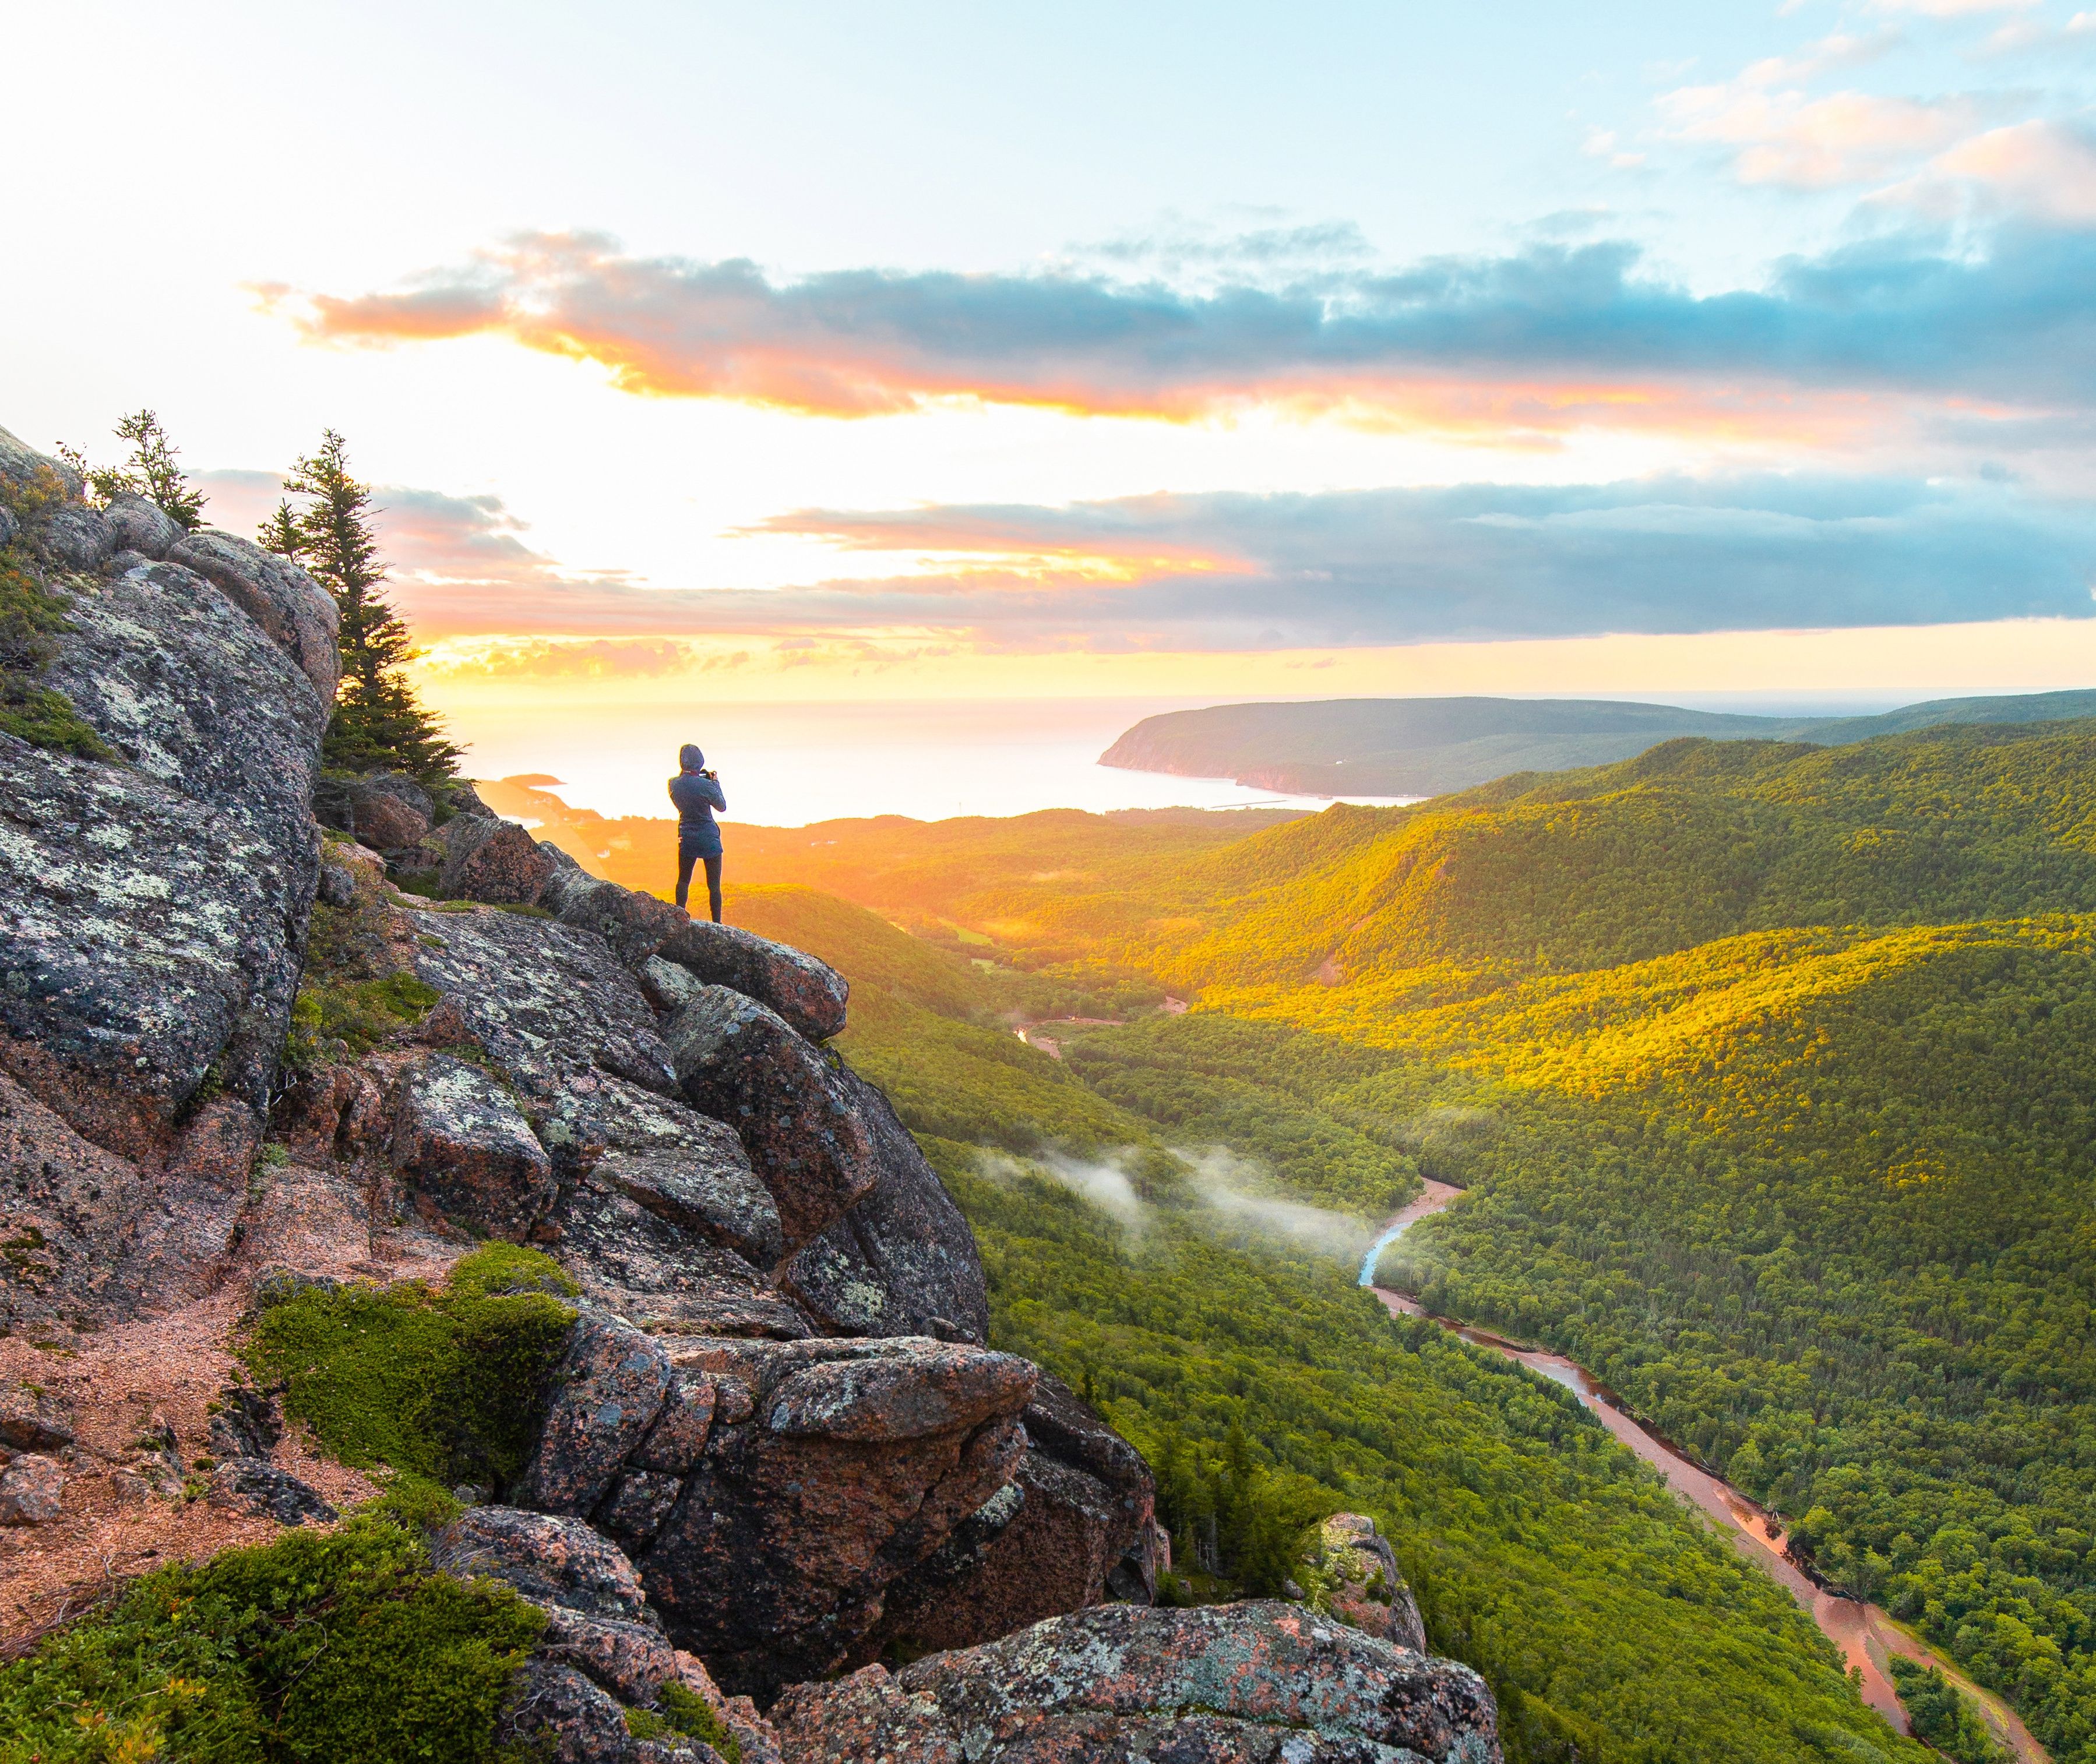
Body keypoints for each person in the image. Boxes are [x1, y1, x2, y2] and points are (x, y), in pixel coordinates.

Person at [668, 742, 726, 921]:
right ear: (700, 762)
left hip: (687, 837)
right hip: (709, 838)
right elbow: (722, 806)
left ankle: (679, 915)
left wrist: (691, 775)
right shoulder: (706, 786)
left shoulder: (673, 784)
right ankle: (717, 923)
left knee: (684, 880)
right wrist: (715, 782)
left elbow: (685, 783)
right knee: (714, 886)